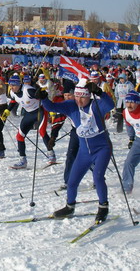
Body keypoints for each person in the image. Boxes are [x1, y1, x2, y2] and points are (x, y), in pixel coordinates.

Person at [38, 79, 115, 223]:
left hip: (102, 149)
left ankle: (103, 207)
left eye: (83, 97)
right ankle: (70, 206)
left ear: (89, 96)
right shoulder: (71, 105)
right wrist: (43, 97)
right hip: (84, 152)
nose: (79, 100)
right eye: (77, 96)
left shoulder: (96, 105)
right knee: (72, 181)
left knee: (98, 177)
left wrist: (99, 92)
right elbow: (51, 107)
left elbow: (111, 105)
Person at [2, 74, 55, 169]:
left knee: (42, 132)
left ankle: (51, 155)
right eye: (10, 85)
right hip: (29, 113)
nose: (11, 87)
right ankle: (23, 160)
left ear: (18, 84)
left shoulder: (28, 90)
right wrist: (7, 110)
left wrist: (51, 109)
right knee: (19, 136)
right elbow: (13, 100)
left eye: (13, 85)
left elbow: (43, 97)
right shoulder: (12, 92)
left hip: (40, 110)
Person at [122, 90, 140, 194]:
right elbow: (129, 124)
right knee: (129, 162)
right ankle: (127, 187)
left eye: (132, 102)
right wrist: (131, 138)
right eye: (127, 102)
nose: (129, 104)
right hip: (138, 140)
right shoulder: (126, 112)